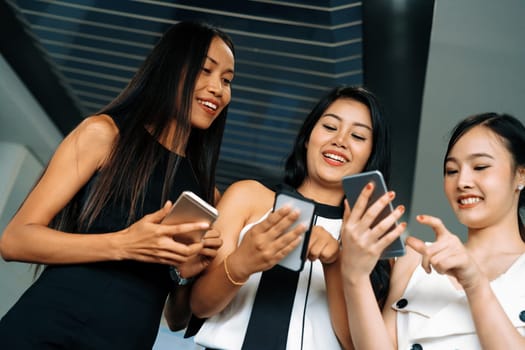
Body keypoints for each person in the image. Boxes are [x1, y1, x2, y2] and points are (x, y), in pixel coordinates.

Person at [0, 20, 235, 349]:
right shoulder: (104, 134)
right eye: (205, 70)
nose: (217, 88)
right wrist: (123, 244)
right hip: (47, 328)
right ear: (169, 69)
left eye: (227, 80)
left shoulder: (208, 195)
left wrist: (184, 271)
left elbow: (177, 318)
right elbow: (14, 241)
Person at [181, 85, 396, 350]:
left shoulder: (368, 238)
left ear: (371, 154)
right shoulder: (247, 197)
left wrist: (334, 263)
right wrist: (243, 262)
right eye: (330, 127)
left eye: (358, 136)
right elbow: (199, 306)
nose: (340, 140)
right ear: (308, 137)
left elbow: (355, 344)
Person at [341, 112, 525, 349]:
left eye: (480, 166)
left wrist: (475, 284)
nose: (462, 182)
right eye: (451, 170)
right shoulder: (413, 261)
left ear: (521, 174)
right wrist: (355, 275)